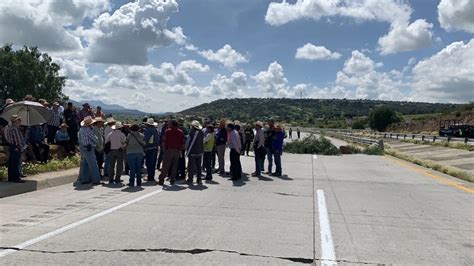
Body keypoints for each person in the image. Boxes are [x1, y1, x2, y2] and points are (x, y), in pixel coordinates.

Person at [158, 120, 185, 186]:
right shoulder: (180, 132)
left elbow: (164, 141)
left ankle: (161, 179)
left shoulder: (167, 131)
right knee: (174, 166)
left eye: (170, 124)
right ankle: (172, 180)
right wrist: (180, 149)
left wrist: (164, 149)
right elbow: (183, 142)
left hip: (169, 150)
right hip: (177, 151)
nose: (168, 125)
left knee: (165, 166)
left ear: (172, 125)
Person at [78, 116, 101, 185]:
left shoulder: (81, 130)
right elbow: (95, 139)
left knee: (85, 164)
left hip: (84, 147)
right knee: (93, 165)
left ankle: (84, 179)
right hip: (89, 148)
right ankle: (96, 180)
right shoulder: (88, 130)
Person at [7, 115, 26, 183]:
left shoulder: (10, 128)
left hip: (12, 146)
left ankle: (11, 177)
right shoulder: (15, 129)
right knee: (15, 163)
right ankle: (16, 178)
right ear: (15, 121)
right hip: (16, 147)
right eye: (19, 120)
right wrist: (21, 148)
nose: (20, 121)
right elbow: (17, 140)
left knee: (11, 163)